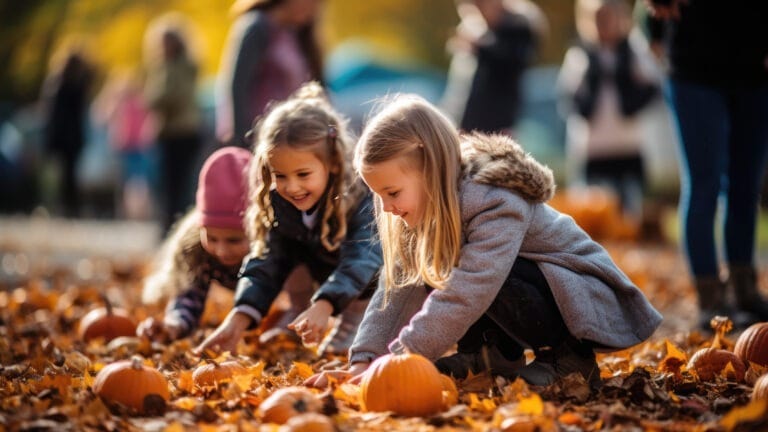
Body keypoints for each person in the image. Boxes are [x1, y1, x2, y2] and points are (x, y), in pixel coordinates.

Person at [305, 94, 662, 390]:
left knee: (477, 272)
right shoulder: (423, 211)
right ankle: (490, 352)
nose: (386, 206)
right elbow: (395, 289)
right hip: (521, 285)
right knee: (442, 262)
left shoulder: (493, 199)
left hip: (581, 296)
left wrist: (402, 355)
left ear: (430, 168)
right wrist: (366, 360)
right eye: (378, 195)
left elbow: (472, 287)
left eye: (392, 192)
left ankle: (569, 359)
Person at [195, 82, 382, 356]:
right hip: (331, 277)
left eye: (303, 175)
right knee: (285, 249)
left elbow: (363, 259)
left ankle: (358, 323)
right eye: (280, 176)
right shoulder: (281, 203)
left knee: (365, 261)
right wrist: (239, 316)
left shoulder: (360, 199)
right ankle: (304, 315)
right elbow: (268, 260)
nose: (292, 187)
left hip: (382, 286)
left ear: (331, 163)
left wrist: (325, 303)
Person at [644, 0, 768, 331]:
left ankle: (744, 290)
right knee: (704, 184)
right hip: (694, 68)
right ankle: (710, 299)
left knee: (746, 185)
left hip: (755, 68)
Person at [558, 0, 661, 222]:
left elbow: (654, 87)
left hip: (628, 144)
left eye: (608, 18)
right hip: (592, 147)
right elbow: (569, 97)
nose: (603, 24)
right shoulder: (581, 54)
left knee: (630, 214)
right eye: (597, 19)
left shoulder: (633, 51)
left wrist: (631, 104)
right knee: (592, 212)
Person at [137, 147, 254, 341]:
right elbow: (189, 296)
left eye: (234, 240)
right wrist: (174, 324)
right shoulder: (198, 249)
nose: (222, 250)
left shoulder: (276, 242)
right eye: (212, 238)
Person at [215, 0, 324, 148]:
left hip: (292, 138)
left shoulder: (295, 34)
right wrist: (241, 141)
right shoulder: (257, 27)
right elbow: (237, 87)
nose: (315, 9)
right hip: (260, 137)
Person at [442, 0, 544, 136]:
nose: (477, 13)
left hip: (497, 122)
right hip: (466, 119)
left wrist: (480, 47)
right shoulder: (476, 28)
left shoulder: (518, 27)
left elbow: (511, 63)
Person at [143, 14, 203, 234]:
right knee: (167, 185)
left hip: (183, 132)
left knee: (180, 186)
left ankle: (177, 228)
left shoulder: (184, 66)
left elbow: (172, 97)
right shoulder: (162, 66)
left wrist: (156, 99)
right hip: (168, 132)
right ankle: (168, 226)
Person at [40, 45, 95, 218]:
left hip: (61, 134)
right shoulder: (75, 83)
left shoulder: (58, 82)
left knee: (61, 173)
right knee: (69, 174)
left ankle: (63, 206)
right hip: (71, 135)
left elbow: (51, 111)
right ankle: (68, 206)